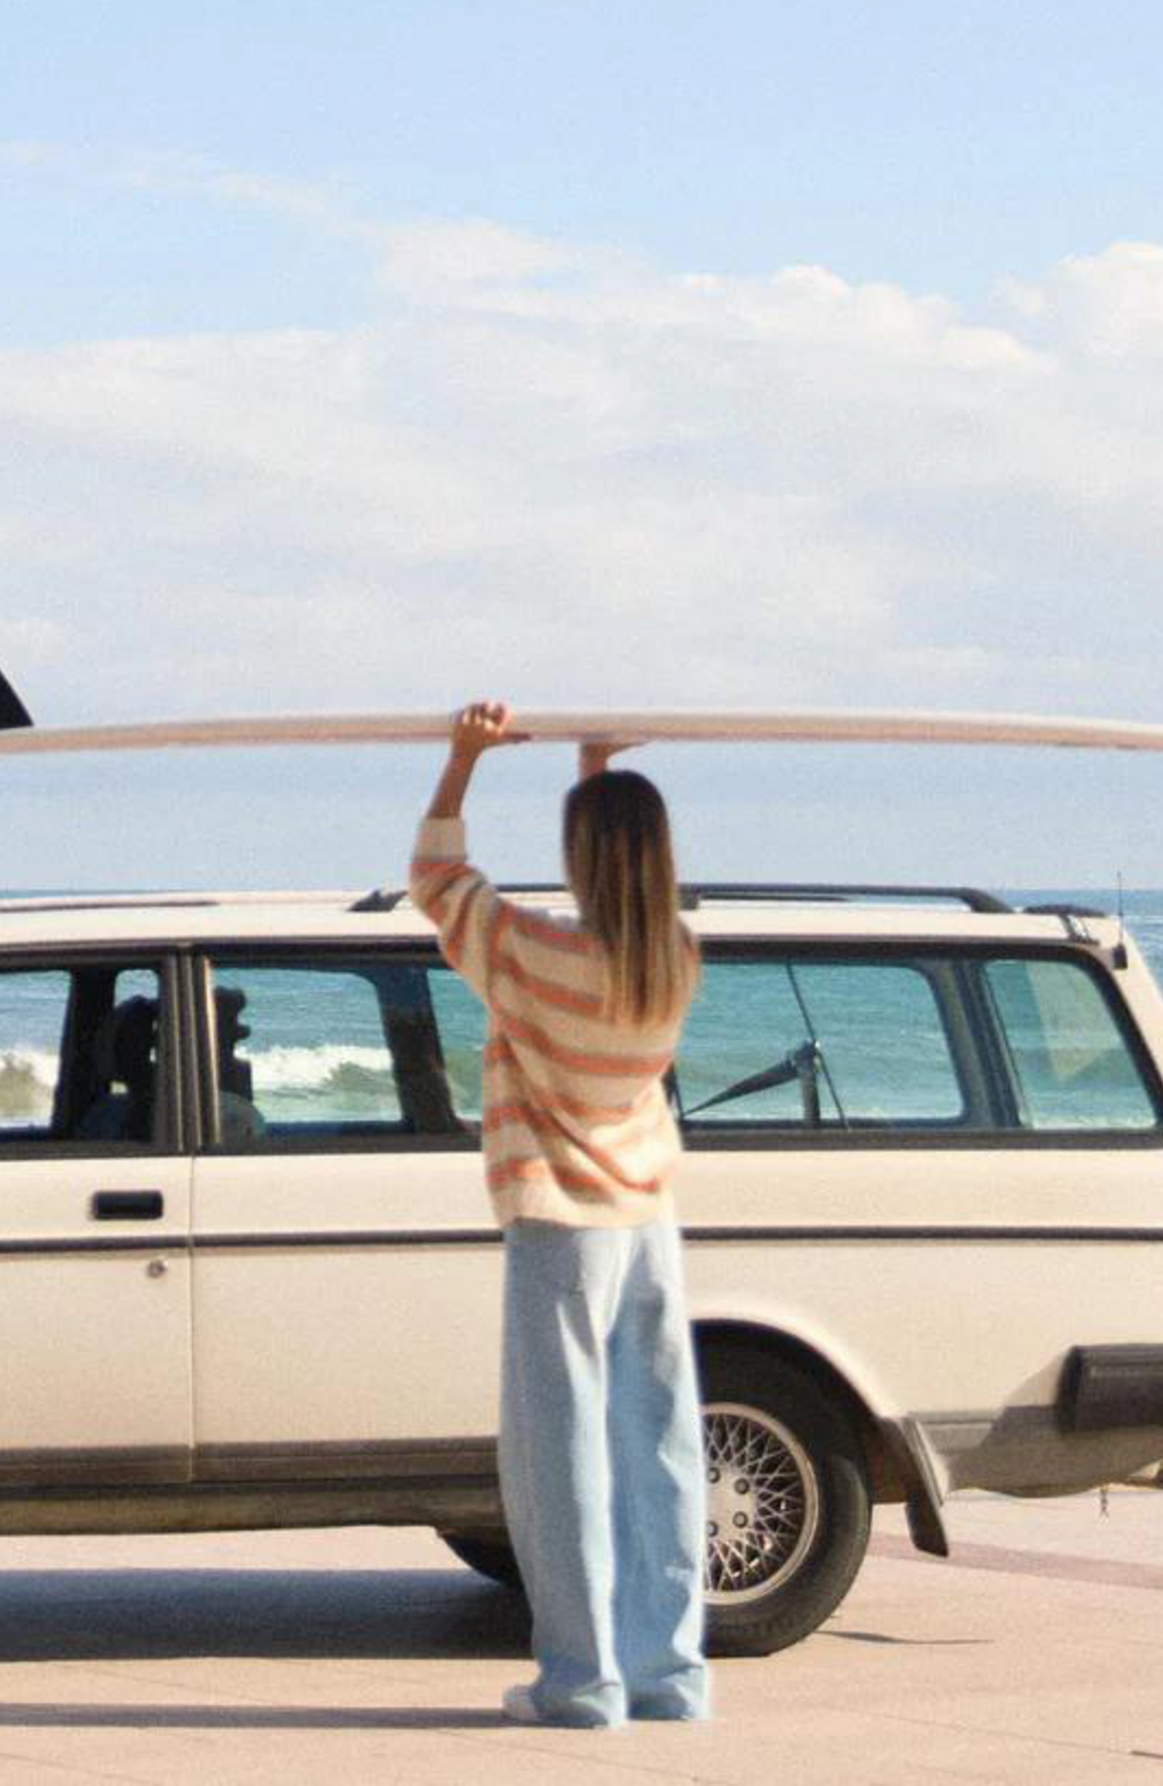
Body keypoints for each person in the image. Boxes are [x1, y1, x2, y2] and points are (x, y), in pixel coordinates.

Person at [409, 701, 709, 1731]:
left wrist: (464, 758)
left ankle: (581, 1683)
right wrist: (594, 769)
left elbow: (437, 879)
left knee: (562, 1456)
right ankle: (669, 1673)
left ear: (579, 858)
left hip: (560, 1219)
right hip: (647, 1219)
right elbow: (613, 890)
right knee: (658, 1445)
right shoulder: (674, 958)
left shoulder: (535, 953)